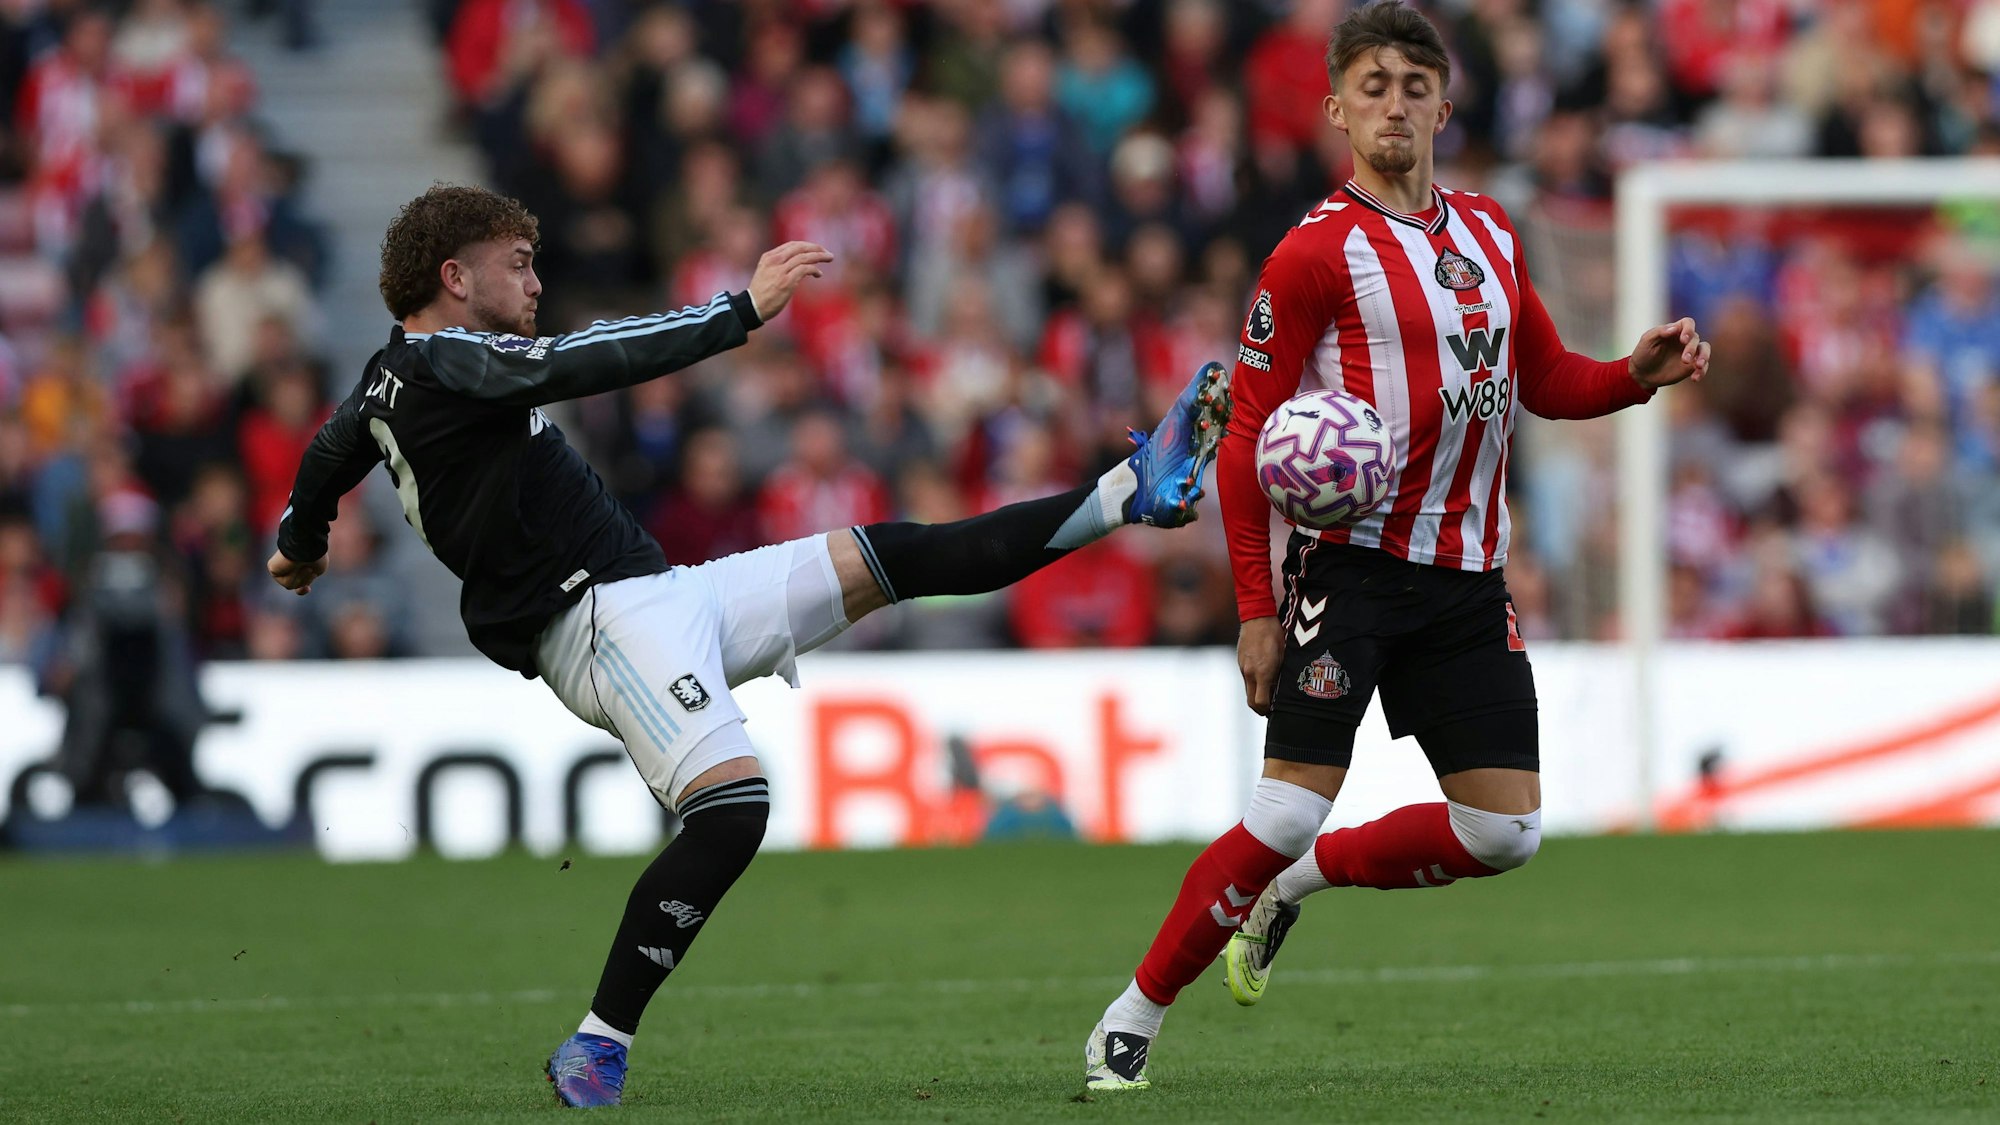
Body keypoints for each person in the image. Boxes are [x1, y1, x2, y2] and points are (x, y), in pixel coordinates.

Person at [264, 184, 1232, 1108]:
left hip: (666, 596)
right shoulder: (449, 363)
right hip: (595, 621)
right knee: (731, 809)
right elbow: (581, 360)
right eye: (518, 265)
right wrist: (740, 310)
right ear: (454, 278)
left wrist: (301, 542)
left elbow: (329, 451)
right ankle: (600, 1041)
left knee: (899, 556)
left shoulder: (391, 379)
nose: (535, 283)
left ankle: (1123, 493)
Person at [1081, 2, 1710, 1091]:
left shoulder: (1489, 230)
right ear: (1336, 108)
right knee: (1278, 807)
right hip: (1353, 571)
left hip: (1467, 580)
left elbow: (1544, 381)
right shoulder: (1312, 253)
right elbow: (1239, 443)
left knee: (1503, 835)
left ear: (1442, 106)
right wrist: (1252, 609)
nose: (1393, 104)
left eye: (1413, 86)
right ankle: (1128, 1019)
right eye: (1370, 86)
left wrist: (1631, 375)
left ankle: (1296, 889)